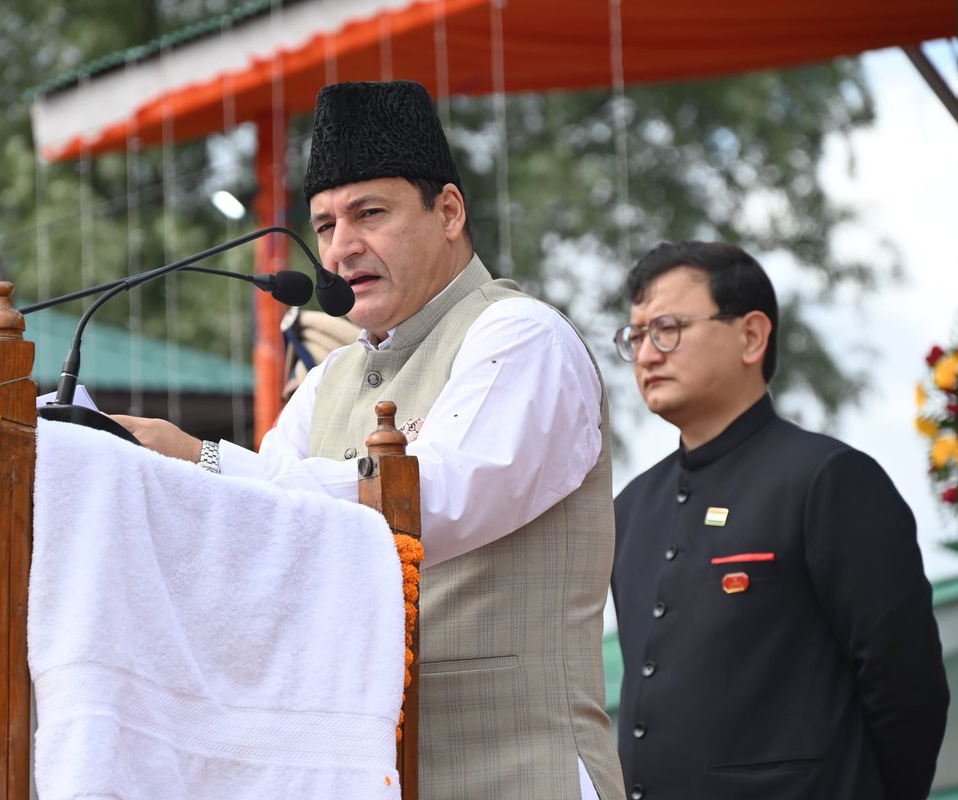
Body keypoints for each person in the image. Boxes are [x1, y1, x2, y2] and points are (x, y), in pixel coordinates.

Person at [115, 80, 625, 800]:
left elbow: (432, 502)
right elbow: (260, 541)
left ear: (449, 212)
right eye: (324, 226)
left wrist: (199, 459)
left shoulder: (521, 337)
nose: (341, 247)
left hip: (516, 771)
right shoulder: (330, 381)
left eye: (370, 213)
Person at [609, 240, 949, 800]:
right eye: (636, 336)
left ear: (751, 336)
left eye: (667, 328)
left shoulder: (828, 480)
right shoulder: (633, 507)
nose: (647, 354)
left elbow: (905, 687)